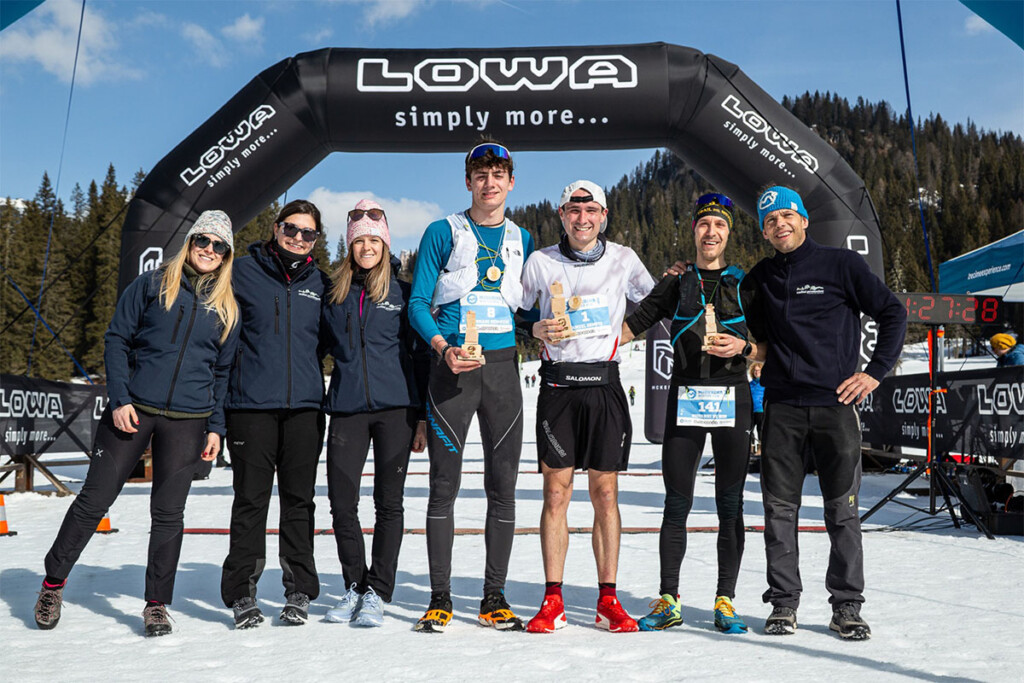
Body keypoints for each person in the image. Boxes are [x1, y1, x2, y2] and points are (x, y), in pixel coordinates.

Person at [34, 210, 240, 636]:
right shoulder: (151, 284)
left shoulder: (227, 308)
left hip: (188, 421)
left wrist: (217, 427)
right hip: (134, 411)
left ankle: (156, 604)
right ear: (191, 241)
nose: (209, 250)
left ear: (226, 256)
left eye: (219, 246)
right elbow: (116, 338)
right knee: (94, 500)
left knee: (168, 514)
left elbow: (223, 374)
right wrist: (120, 398)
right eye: (203, 240)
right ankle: (53, 584)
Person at [744, 185, 907, 640]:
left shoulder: (841, 264)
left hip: (836, 407)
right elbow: (757, 342)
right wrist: (748, 352)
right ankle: (782, 604)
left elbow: (893, 312)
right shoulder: (758, 279)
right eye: (771, 221)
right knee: (779, 511)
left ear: (803, 220)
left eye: (787, 216)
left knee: (843, 511)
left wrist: (874, 372)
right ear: (764, 231)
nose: (781, 225)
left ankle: (847, 606)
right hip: (782, 409)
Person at [408, 140, 535, 633]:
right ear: (468, 181)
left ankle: (494, 597)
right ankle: (440, 598)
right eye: (480, 173)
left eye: (498, 173)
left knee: (503, 489)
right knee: (444, 487)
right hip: (454, 365)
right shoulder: (444, 231)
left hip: (503, 369)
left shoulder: (519, 236)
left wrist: (545, 325)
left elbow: (521, 307)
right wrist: (443, 349)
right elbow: (418, 302)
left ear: (511, 181)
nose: (489, 181)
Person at [522, 179, 655, 634]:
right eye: (573, 211)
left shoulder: (623, 258)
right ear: (562, 215)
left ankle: (608, 600)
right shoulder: (541, 261)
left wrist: (628, 333)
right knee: (556, 495)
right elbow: (517, 309)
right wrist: (533, 331)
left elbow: (654, 301)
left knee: (605, 495)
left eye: (591, 211)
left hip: (605, 386)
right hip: (558, 388)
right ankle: (552, 600)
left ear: (603, 216)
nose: (582, 219)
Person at [620, 192, 756, 634]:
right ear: (694, 230)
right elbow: (634, 324)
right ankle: (669, 599)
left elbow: (772, 344)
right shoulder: (677, 282)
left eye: (719, 225)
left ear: (728, 232)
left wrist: (746, 348)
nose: (711, 232)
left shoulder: (744, 283)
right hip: (687, 401)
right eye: (704, 224)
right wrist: (576, 344)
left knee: (730, 505)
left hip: (732, 400)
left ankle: (725, 600)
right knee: (676, 503)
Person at [220, 200, 329, 629]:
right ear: (275, 227)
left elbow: (323, 341)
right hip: (250, 406)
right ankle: (242, 593)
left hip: (304, 407)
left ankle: (299, 588)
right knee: (251, 500)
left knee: (299, 501)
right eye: (292, 228)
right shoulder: (243, 271)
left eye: (308, 233)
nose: (298, 238)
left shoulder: (319, 282)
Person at [320, 200, 429, 627]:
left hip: (396, 410)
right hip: (346, 408)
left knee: (389, 503)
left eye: (374, 240)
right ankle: (354, 586)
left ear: (385, 244)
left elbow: (420, 357)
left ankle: (379, 592)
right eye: (359, 241)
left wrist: (421, 415)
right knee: (341, 502)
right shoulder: (335, 295)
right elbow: (315, 348)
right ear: (350, 247)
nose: (367, 247)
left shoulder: (402, 294)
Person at [749, 363, 765, 455]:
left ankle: (760, 448)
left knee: (760, 430)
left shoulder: (764, 384)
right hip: (751, 411)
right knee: (749, 430)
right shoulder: (750, 384)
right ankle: (751, 447)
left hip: (761, 410)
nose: (756, 372)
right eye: (755, 370)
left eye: (758, 370)